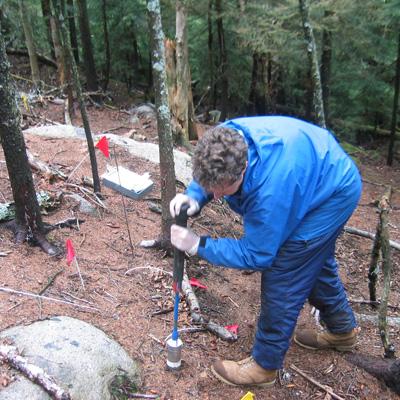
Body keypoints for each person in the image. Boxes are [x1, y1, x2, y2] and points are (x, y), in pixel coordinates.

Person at [170, 116, 361, 387]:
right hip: (315, 168)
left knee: (287, 266)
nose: (215, 195)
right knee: (312, 258)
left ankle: (264, 366)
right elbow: (210, 175)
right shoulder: (225, 138)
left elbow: (257, 255)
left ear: (243, 169)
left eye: (219, 190)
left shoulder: (270, 193)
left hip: (333, 192)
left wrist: (197, 245)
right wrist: (193, 196)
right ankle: (342, 330)